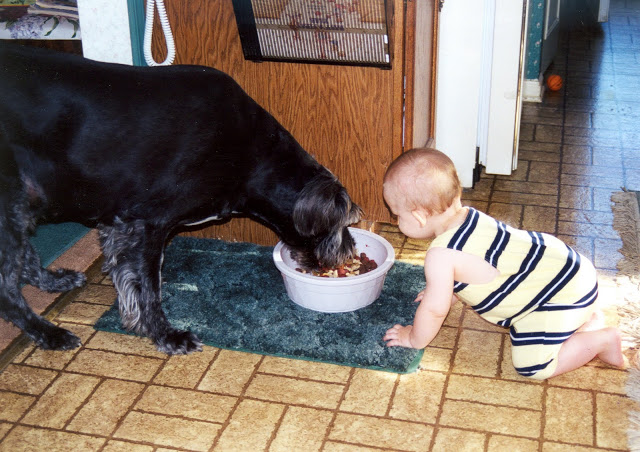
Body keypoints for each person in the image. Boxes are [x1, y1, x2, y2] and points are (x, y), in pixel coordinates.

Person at [382, 147, 624, 380]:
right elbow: (476, 265)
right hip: (572, 271)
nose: (396, 221)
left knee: (533, 366)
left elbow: (435, 310)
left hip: (554, 297)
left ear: (419, 216)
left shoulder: (439, 255)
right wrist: (441, 288)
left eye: (397, 215)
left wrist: (413, 338)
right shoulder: (471, 216)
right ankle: (584, 318)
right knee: (552, 301)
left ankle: (602, 340)